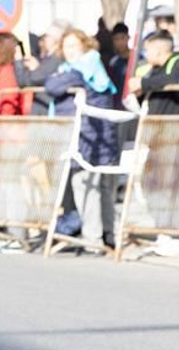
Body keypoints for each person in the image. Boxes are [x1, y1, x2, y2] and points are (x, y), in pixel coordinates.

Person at [44, 29, 122, 253]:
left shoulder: (82, 67)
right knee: (99, 187)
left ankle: (93, 238)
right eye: (66, 46)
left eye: (74, 46)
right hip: (95, 135)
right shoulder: (86, 66)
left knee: (86, 185)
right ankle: (108, 235)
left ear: (84, 46)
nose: (69, 51)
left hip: (88, 137)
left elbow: (51, 86)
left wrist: (57, 77)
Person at [128, 31, 179, 114]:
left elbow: (178, 78)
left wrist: (142, 83)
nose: (146, 54)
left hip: (177, 120)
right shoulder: (155, 68)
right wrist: (139, 93)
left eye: (147, 50)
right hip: (155, 120)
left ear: (157, 51)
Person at [17, 19, 70, 114]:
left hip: (44, 110)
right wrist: (37, 67)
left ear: (56, 40)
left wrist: (18, 61)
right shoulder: (51, 58)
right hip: (43, 109)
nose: (44, 39)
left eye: (47, 36)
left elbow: (29, 80)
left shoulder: (56, 59)